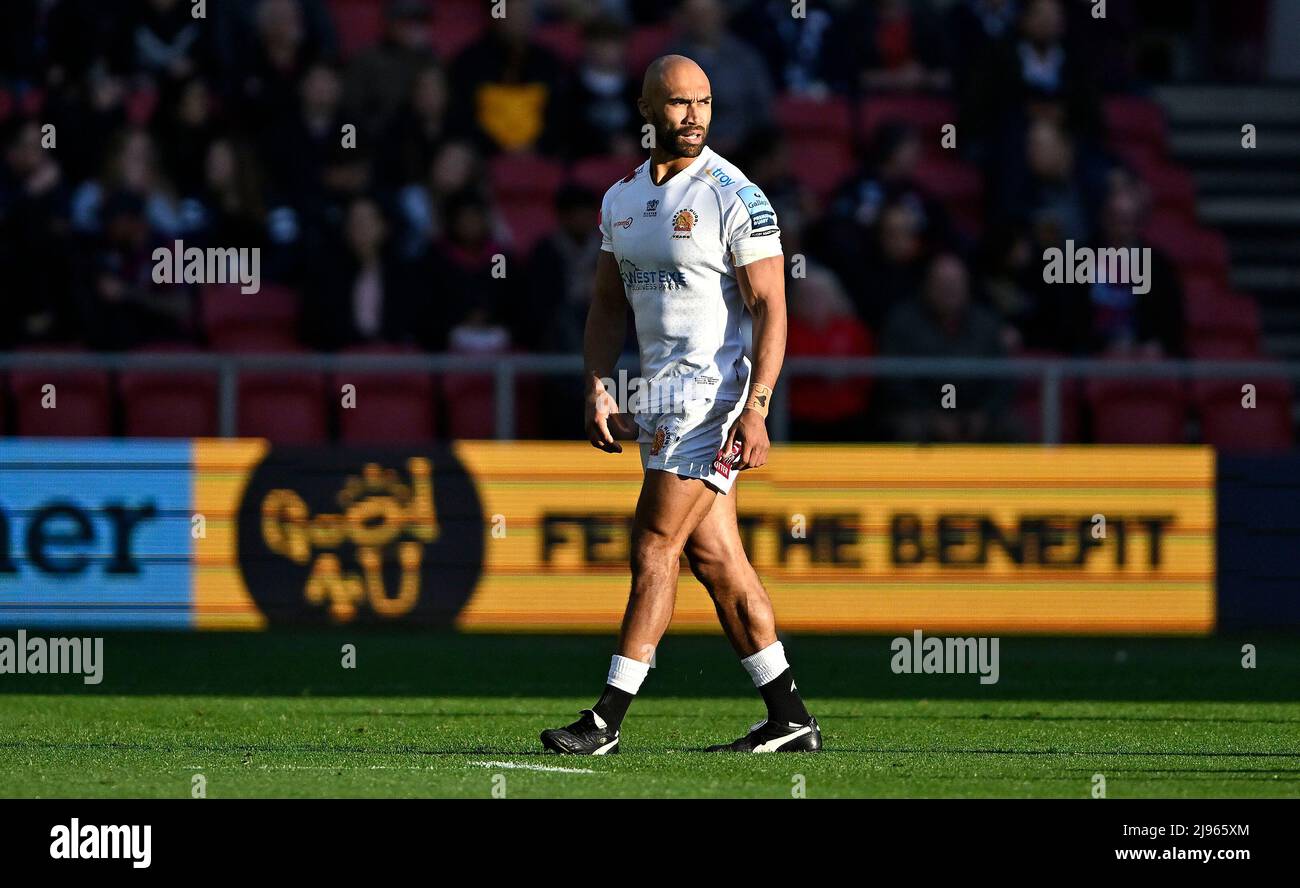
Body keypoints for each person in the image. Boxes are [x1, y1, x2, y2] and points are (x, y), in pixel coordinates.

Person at [539, 55, 821, 756]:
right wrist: (598, 382)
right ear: (645, 108)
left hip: (712, 403)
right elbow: (607, 304)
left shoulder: (735, 195)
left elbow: (772, 309)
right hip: (658, 399)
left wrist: (756, 405)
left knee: (654, 544)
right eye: (677, 103)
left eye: (703, 102)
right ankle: (790, 718)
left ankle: (604, 720)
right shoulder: (622, 200)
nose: (693, 115)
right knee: (718, 561)